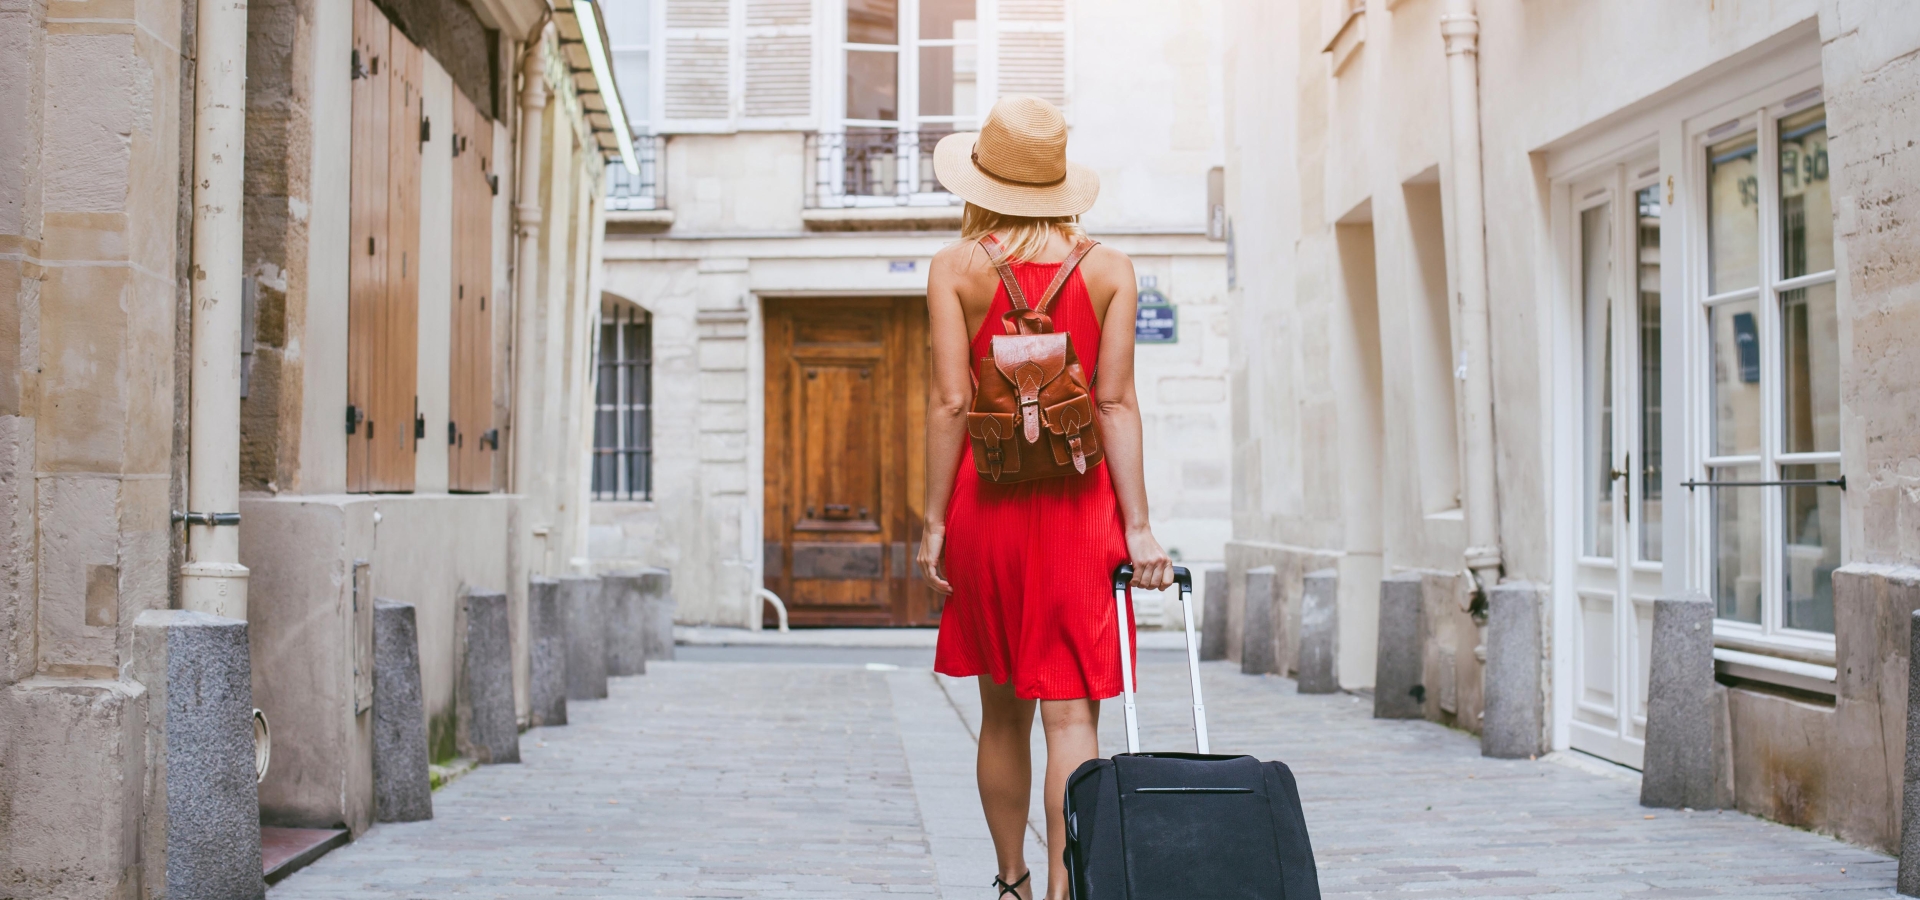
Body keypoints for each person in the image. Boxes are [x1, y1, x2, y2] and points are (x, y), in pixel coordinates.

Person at [917, 95, 1176, 900]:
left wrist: (931, 522)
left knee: (1002, 716)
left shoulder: (955, 269)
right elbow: (1116, 402)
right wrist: (1140, 528)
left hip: (987, 511)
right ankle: (1071, 892)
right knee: (1073, 720)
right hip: (1080, 513)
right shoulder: (1108, 270)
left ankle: (1013, 883)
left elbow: (951, 404)